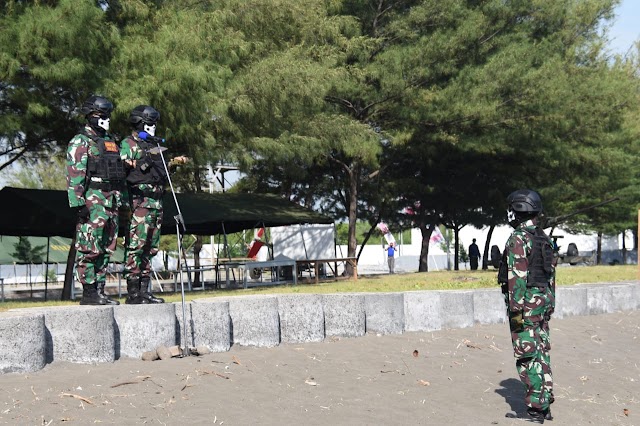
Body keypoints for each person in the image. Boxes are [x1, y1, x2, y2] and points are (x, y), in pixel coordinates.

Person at [498, 189, 556, 423]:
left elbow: (517, 278)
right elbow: (551, 276)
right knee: (541, 352)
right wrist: (550, 305)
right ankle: (545, 400)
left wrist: (516, 312)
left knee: (527, 355)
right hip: (543, 302)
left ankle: (536, 409)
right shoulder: (544, 238)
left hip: (525, 307)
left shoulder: (518, 239)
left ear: (519, 210)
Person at [120, 105, 187, 304]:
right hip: (140, 202)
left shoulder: (154, 146)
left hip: (156, 202)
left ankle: (144, 290)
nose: (154, 127)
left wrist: (173, 164)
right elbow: (125, 168)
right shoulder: (129, 144)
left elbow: (159, 171)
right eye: (150, 123)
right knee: (137, 246)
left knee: (150, 247)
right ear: (141, 123)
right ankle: (133, 292)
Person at [66, 95, 126, 305]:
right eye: (102, 115)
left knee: (106, 247)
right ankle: (89, 292)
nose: (106, 119)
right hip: (93, 202)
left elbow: (118, 173)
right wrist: (79, 203)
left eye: (108, 116)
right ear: (91, 116)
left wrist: (122, 201)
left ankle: (100, 289)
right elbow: (75, 174)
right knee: (89, 247)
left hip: (111, 201)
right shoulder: (80, 142)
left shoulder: (110, 142)